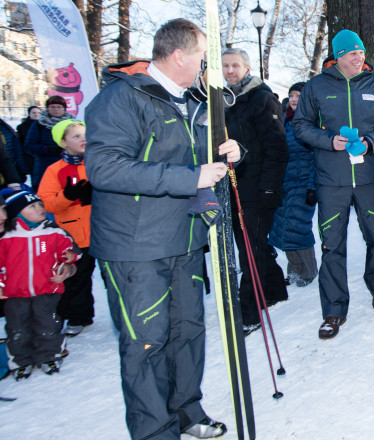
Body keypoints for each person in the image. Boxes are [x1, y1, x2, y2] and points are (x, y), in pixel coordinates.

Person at [85, 18, 241, 439]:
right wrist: (188, 177)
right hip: (135, 247)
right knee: (146, 342)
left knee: (187, 331)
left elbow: (199, 156)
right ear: (179, 56)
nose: (208, 66)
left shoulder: (190, 101)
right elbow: (105, 167)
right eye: (203, 57)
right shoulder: (122, 98)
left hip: (184, 239)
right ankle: (156, 431)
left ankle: (187, 411)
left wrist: (229, 152)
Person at [293, 29, 374, 340]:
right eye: (352, 53)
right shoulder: (317, 86)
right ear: (338, 57)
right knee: (332, 245)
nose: (359, 57)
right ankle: (334, 310)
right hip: (331, 180)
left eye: (361, 52)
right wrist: (327, 141)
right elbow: (300, 125)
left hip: (369, 178)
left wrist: (371, 141)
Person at [222, 48, 289, 336]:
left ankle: (248, 311)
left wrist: (269, 188)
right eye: (225, 66)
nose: (230, 70)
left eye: (235, 65)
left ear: (247, 68)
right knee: (253, 245)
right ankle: (274, 289)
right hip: (232, 186)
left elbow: (277, 147)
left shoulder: (261, 98)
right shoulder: (221, 101)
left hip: (258, 188)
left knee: (251, 251)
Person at [0, 190, 78, 380]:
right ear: (17, 213)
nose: (40, 209)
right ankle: (20, 361)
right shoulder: (7, 238)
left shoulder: (53, 231)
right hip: (15, 293)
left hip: (46, 289)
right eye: (32, 207)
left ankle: (49, 355)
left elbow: (70, 249)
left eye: (40, 205)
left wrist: (70, 258)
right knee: (17, 328)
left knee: (48, 324)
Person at [37, 119, 95, 337]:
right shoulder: (55, 170)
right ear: (63, 142)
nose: (83, 139)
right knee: (77, 277)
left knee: (112, 276)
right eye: (76, 136)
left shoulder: (96, 162)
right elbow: (47, 203)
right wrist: (68, 196)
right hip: (75, 234)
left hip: (102, 229)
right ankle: (77, 317)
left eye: (84, 134)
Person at [269, 82, 319, 288]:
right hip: (285, 183)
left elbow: (317, 157)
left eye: (298, 95)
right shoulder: (284, 122)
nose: (293, 99)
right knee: (282, 227)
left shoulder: (312, 122)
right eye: (291, 95)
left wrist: (312, 187)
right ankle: (294, 270)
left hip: (303, 183)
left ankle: (308, 271)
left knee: (297, 226)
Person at [23, 96, 75, 190]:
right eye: (52, 107)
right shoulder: (39, 124)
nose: (55, 109)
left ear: (64, 108)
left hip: (69, 164)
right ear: (48, 108)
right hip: (45, 167)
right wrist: (47, 149)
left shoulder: (72, 124)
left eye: (59, 107)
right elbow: (28, 146)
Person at [16, 106, 40, 178]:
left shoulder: (44, 125)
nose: (36, 114)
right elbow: (20, 143)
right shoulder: (22, 127)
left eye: (38, 113)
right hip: (29, 156)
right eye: (34, 113)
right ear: (29, 114)